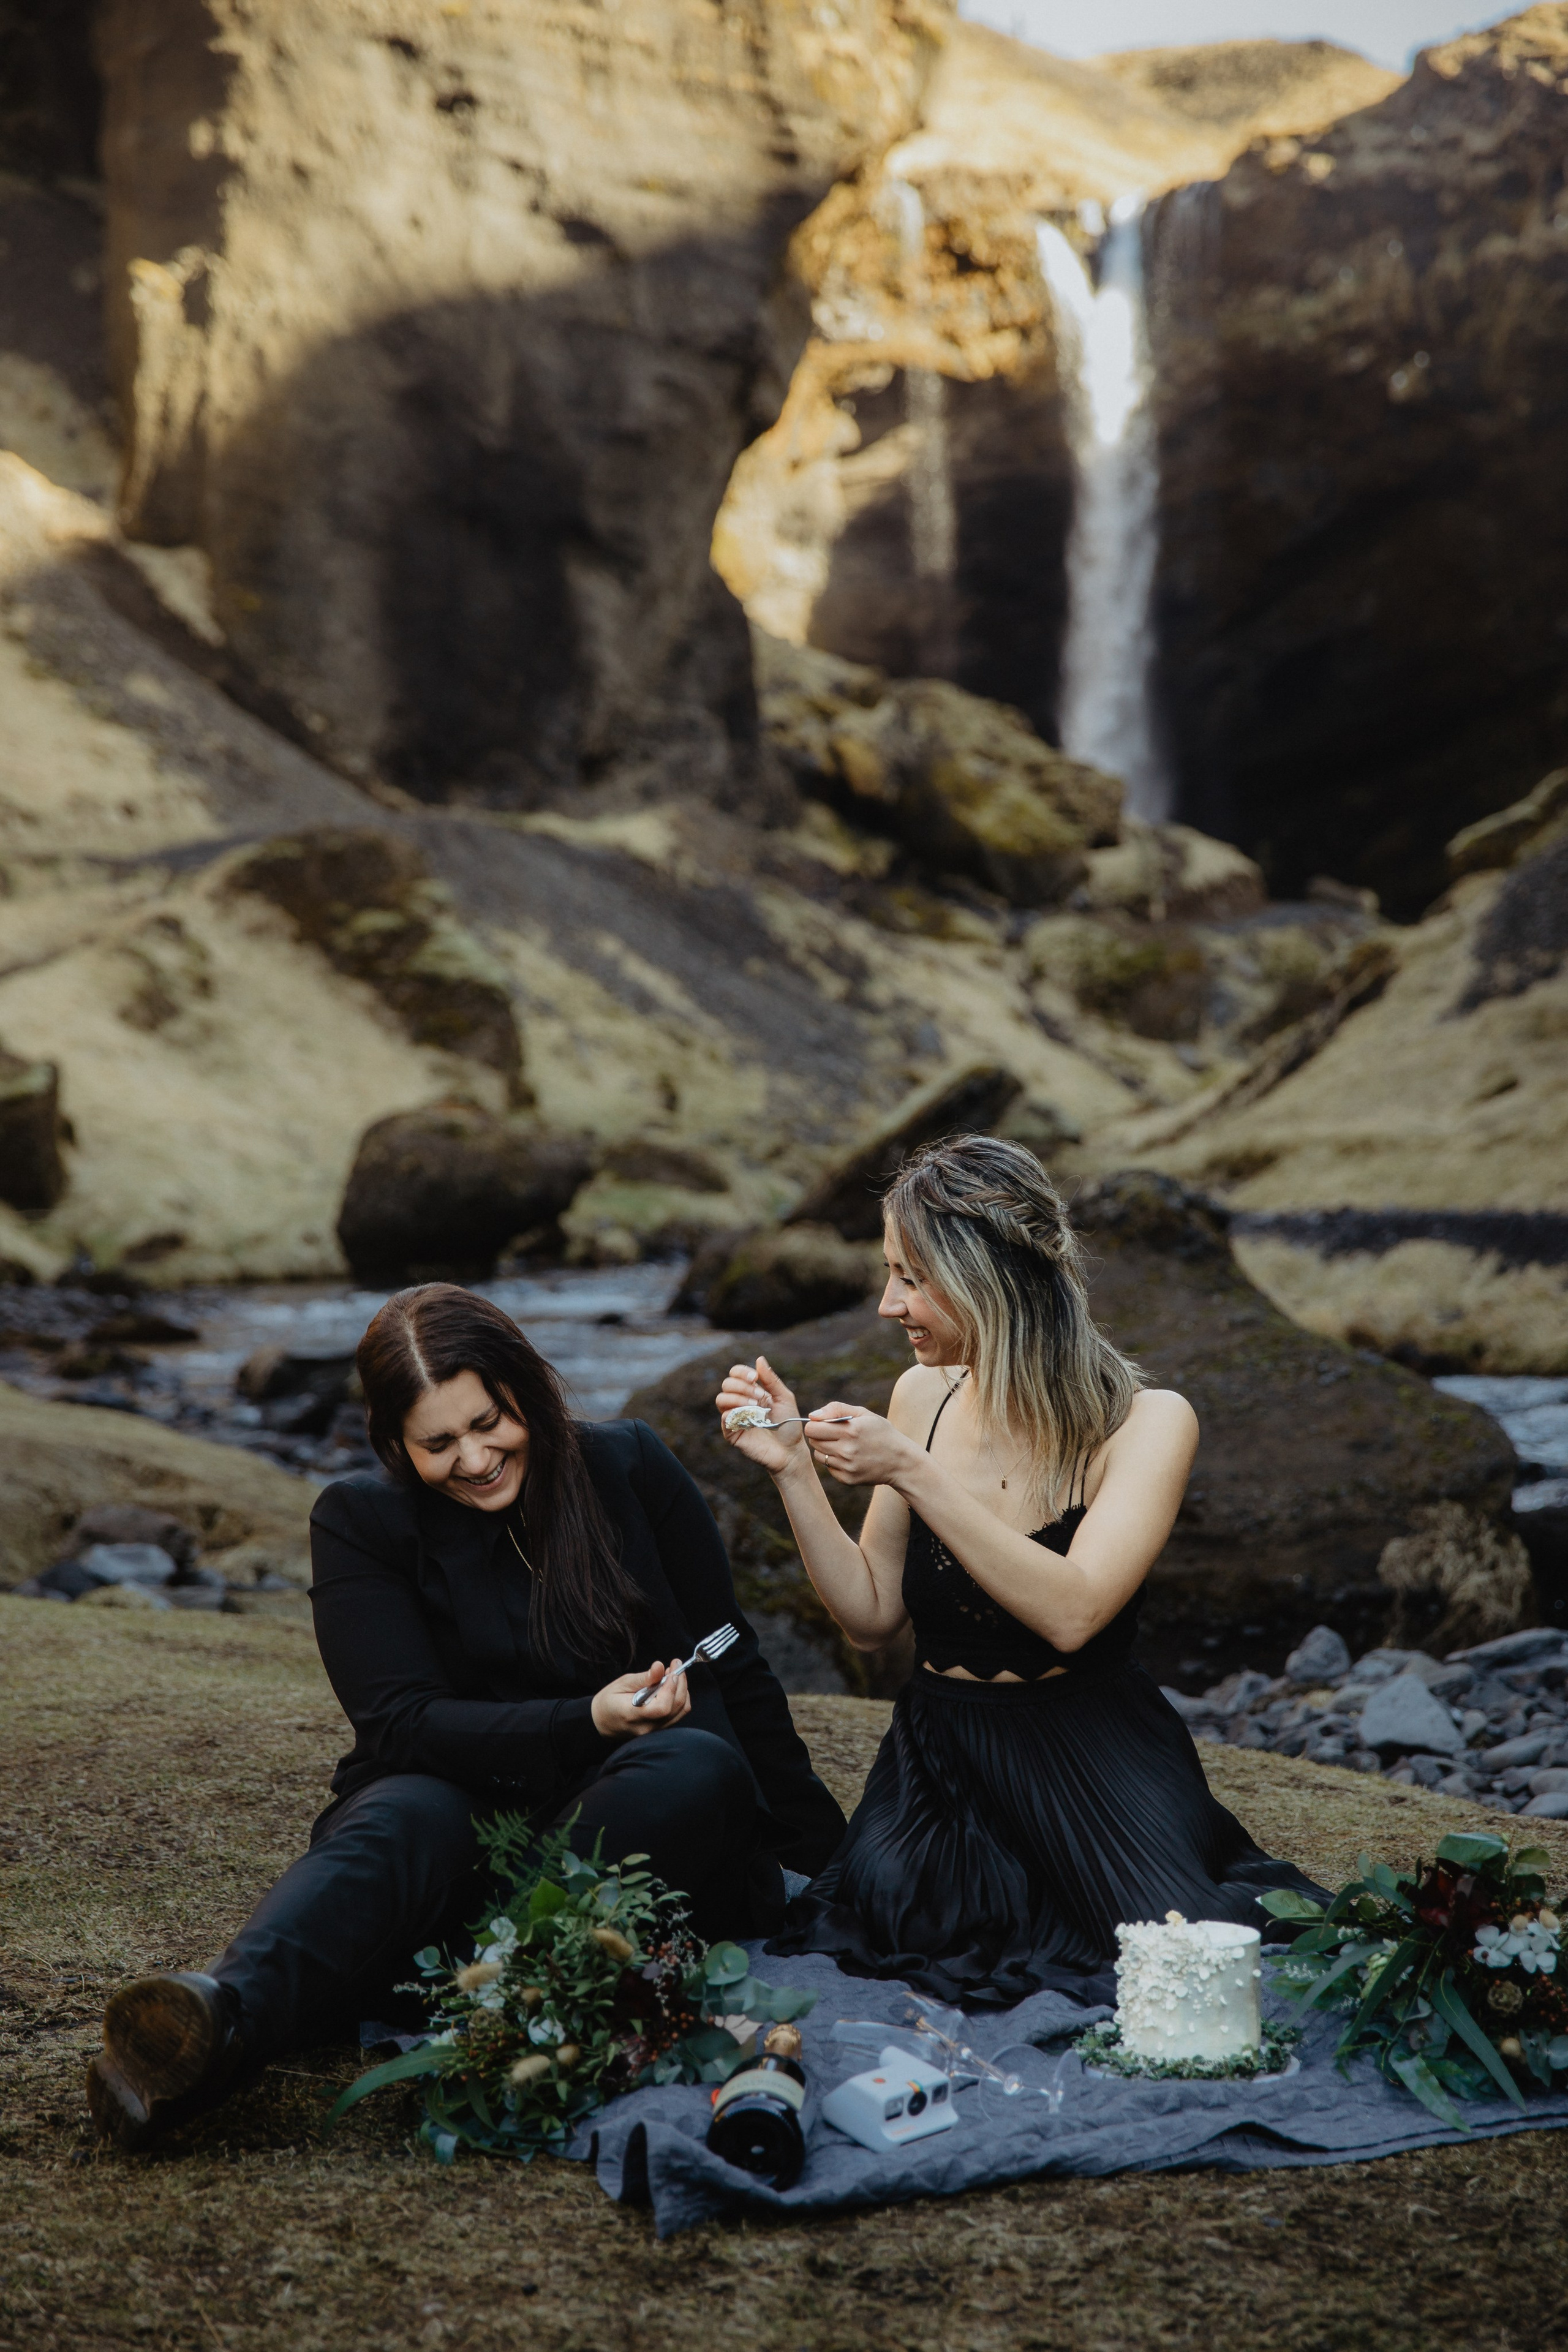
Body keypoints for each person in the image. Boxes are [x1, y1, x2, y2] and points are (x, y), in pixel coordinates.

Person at [87, 1283, 845, 2149]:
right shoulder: (359, 1522)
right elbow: (402, 1725)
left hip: (637, 1833)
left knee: (699, 1764)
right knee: (400, 1811)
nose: (476, 1459)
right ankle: (208, 2033)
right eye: (438, 1443)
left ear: (527, 1390)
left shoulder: (628, 1466)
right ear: (394, 1441)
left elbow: (732, 1662)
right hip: (460, 1822)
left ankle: (482, 1988)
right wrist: (583, 1720)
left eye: (491, 1423)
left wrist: (827, 1870)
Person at [718, 1134, 1322, 2010]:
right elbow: (870, 1615)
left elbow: (1074, 1613)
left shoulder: (1147, 1424)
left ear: (988, 1279)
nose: (889, 1304)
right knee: (895, 1917)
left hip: (1090, 1751)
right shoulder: (920, 1397)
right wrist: (792, 1471)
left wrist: (911, 1473)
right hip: (942, 1755)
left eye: (911, 1277)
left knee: (1157, 1950)